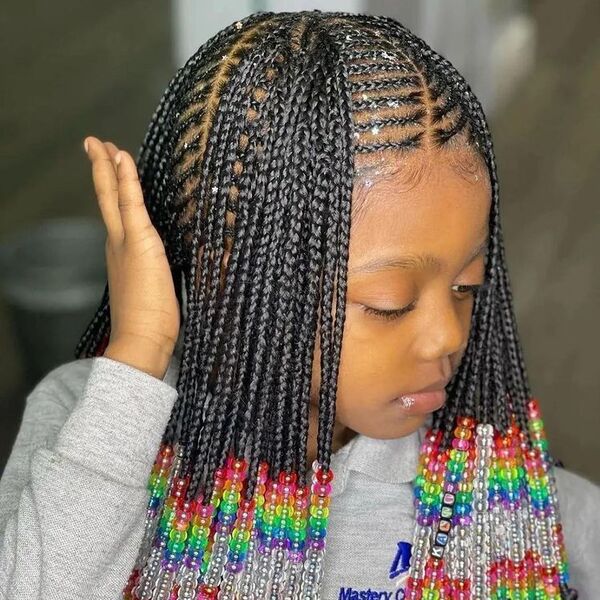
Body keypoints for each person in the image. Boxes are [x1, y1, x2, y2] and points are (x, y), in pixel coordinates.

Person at [0, 10, 598, 600]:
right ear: (232, 286)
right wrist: (139, 353)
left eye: (468, 287)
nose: (447, 335)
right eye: (390, 304)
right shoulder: (92, 423)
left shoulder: (493, 475)